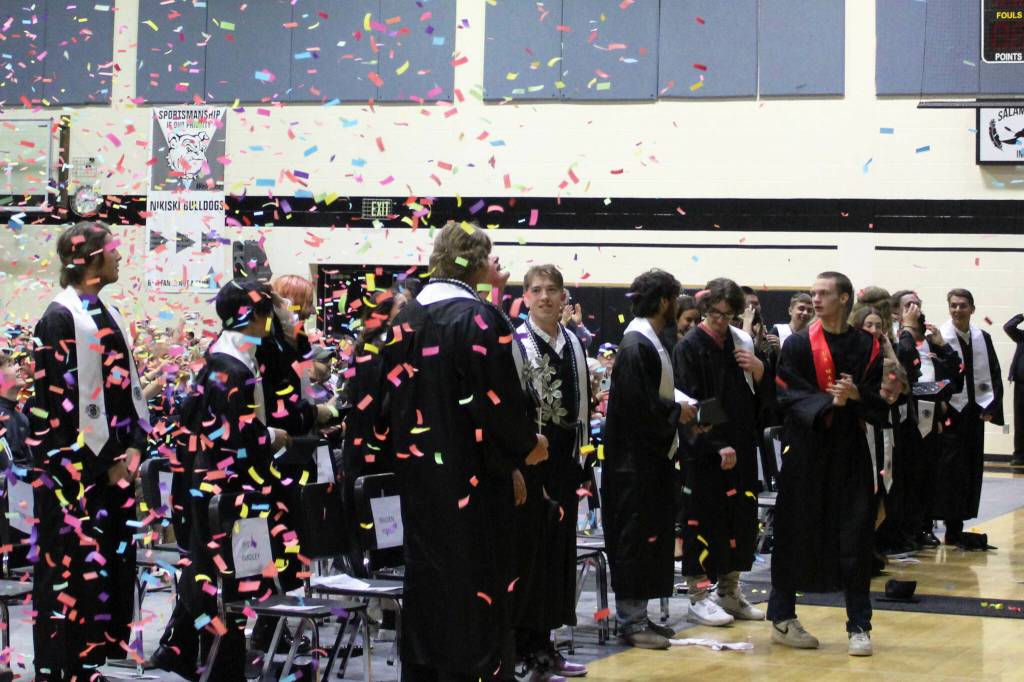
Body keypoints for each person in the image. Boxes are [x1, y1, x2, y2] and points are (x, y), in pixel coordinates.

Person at [374, 222, 548, 682]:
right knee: (477, 588)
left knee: (428, 582)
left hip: (418, 482)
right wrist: (527, 447)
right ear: (474, 264)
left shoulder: (403, 321)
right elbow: (500, 404)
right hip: (474, 484)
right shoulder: (479, 319)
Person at [28, 221, 150, 681]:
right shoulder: (58, 319)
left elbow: (126, 394)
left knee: (109, 580)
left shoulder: (109, 314)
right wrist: (103, 467)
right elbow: (54, 413)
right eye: (113, 251)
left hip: (114, 474)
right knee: (71, 581)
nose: (120, 257)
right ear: (92, 258)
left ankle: (97, 665)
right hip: (73, 482)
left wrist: (136, 449)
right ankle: (61, 670)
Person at [175, 280, 294, 681]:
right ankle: (221, 668)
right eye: (269, 311)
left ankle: (227, 664)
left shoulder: (232, 356)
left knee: (242, 584)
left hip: (235, 491)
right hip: (226, 495)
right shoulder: (227, 366)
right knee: (228, 585)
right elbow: (233, 438)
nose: (274, 319)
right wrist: (271, 436)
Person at [767, 271, 887, 657]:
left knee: (855, 536)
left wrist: (854, 396)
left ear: (845, 298)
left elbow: (879, 401)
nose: (815, 300)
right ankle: (783, 617)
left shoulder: (867, 345)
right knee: (794, 532)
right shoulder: (799, 345)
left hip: (849, 452)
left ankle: (859, 625)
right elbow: (785, 394)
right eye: (814, 293)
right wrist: (828, 403)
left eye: (824, 294)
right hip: (806, 453)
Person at [602, 269, 696, 650]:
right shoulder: (636, 346)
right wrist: (677, 413)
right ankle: (631, 620)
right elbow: (636, 409)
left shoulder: (653, 341)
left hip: (648, 463)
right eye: (675, 297)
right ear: (663, 302)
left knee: (650, 539)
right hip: (631, 466)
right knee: (633, 542)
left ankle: (640, 616)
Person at [672, 278, 773, 627]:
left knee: (740, 519)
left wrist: (760, 371)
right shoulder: (688, 347)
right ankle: (698, 595)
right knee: (700, 520)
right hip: (704, 453)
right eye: (715, 313)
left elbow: (757, 400)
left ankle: (729, 590)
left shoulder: (739, 343)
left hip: (742, 446)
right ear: (704, 309)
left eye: (728, 315)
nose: (720, 321)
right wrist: (716, 444)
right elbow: (690, 400)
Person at [509, 264, 590, 680]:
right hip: (531, 464)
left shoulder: (572, 341)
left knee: (558, 557)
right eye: (536, 290)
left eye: (552, 290)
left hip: (565, 463)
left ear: (564, 299)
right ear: (524, 297)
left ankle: (546, 644)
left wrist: (583, 464)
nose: (544, 297)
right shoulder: (517, 343)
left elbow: (582, 406)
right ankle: (526, 650)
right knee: (531, 559)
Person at [937, 289, 1003, 545]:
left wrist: (992, 405)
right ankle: (943, 521)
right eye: (953, 306)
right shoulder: (940, 338)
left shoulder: (982, 337)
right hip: (950, 412)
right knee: (949, 470)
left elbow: (994, 373)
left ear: (972, 309)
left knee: (970, 468)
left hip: (974, 413)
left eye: (962, 306)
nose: (957, 310)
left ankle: (959, 524)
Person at [896, 310, 963, 547]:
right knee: (910, 476)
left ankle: (923, 527)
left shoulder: (930, 346)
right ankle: (906, 529)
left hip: (930, 416)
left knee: (928, 474)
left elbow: (957, 375)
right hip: (906, 418)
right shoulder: (899, 344)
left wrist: (943, 346)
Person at [1004, 313, 1024, 466]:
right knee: (1020, 421)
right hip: (1021, 385)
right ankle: (1019, 455)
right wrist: (1022, 316)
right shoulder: (1022, 336)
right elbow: (1008, 327)